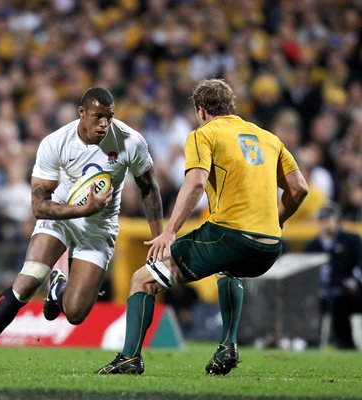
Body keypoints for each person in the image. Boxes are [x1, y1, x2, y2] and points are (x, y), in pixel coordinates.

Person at [96, 79, 309, 375]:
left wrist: (169, 231)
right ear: (230, 106)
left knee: (142, 279)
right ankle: (227, 346)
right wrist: (279, 221)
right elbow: (299, 189)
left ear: (201, 110)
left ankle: (129, 357)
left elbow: (195, 182)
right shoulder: (269, 138)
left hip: (229, 235)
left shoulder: (203, 134)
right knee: (228, 269)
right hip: (270, 246)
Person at [0, 87, 163, 369]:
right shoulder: (55, 142)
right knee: (29, 278)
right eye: (98, 116)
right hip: (62, 215)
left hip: (98, 229)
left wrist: (158, 236)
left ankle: (58, 288)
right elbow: (39, 206)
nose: (104, 124)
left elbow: (148, 188)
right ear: (82, 113)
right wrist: (82, 209)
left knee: (75, 313)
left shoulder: (129, 141)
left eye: (109, 117)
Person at [305, 204, 362, 349]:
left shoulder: (351, 240)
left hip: (346, 289)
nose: (325, 222)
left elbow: (359, 264)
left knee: (341, 299)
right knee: (309, 300)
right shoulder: (312, 246)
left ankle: (345, 341)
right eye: (322, 219)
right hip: (319, 290)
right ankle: (311, 340)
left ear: (337, 219)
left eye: (328, 218)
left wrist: (353, 280)